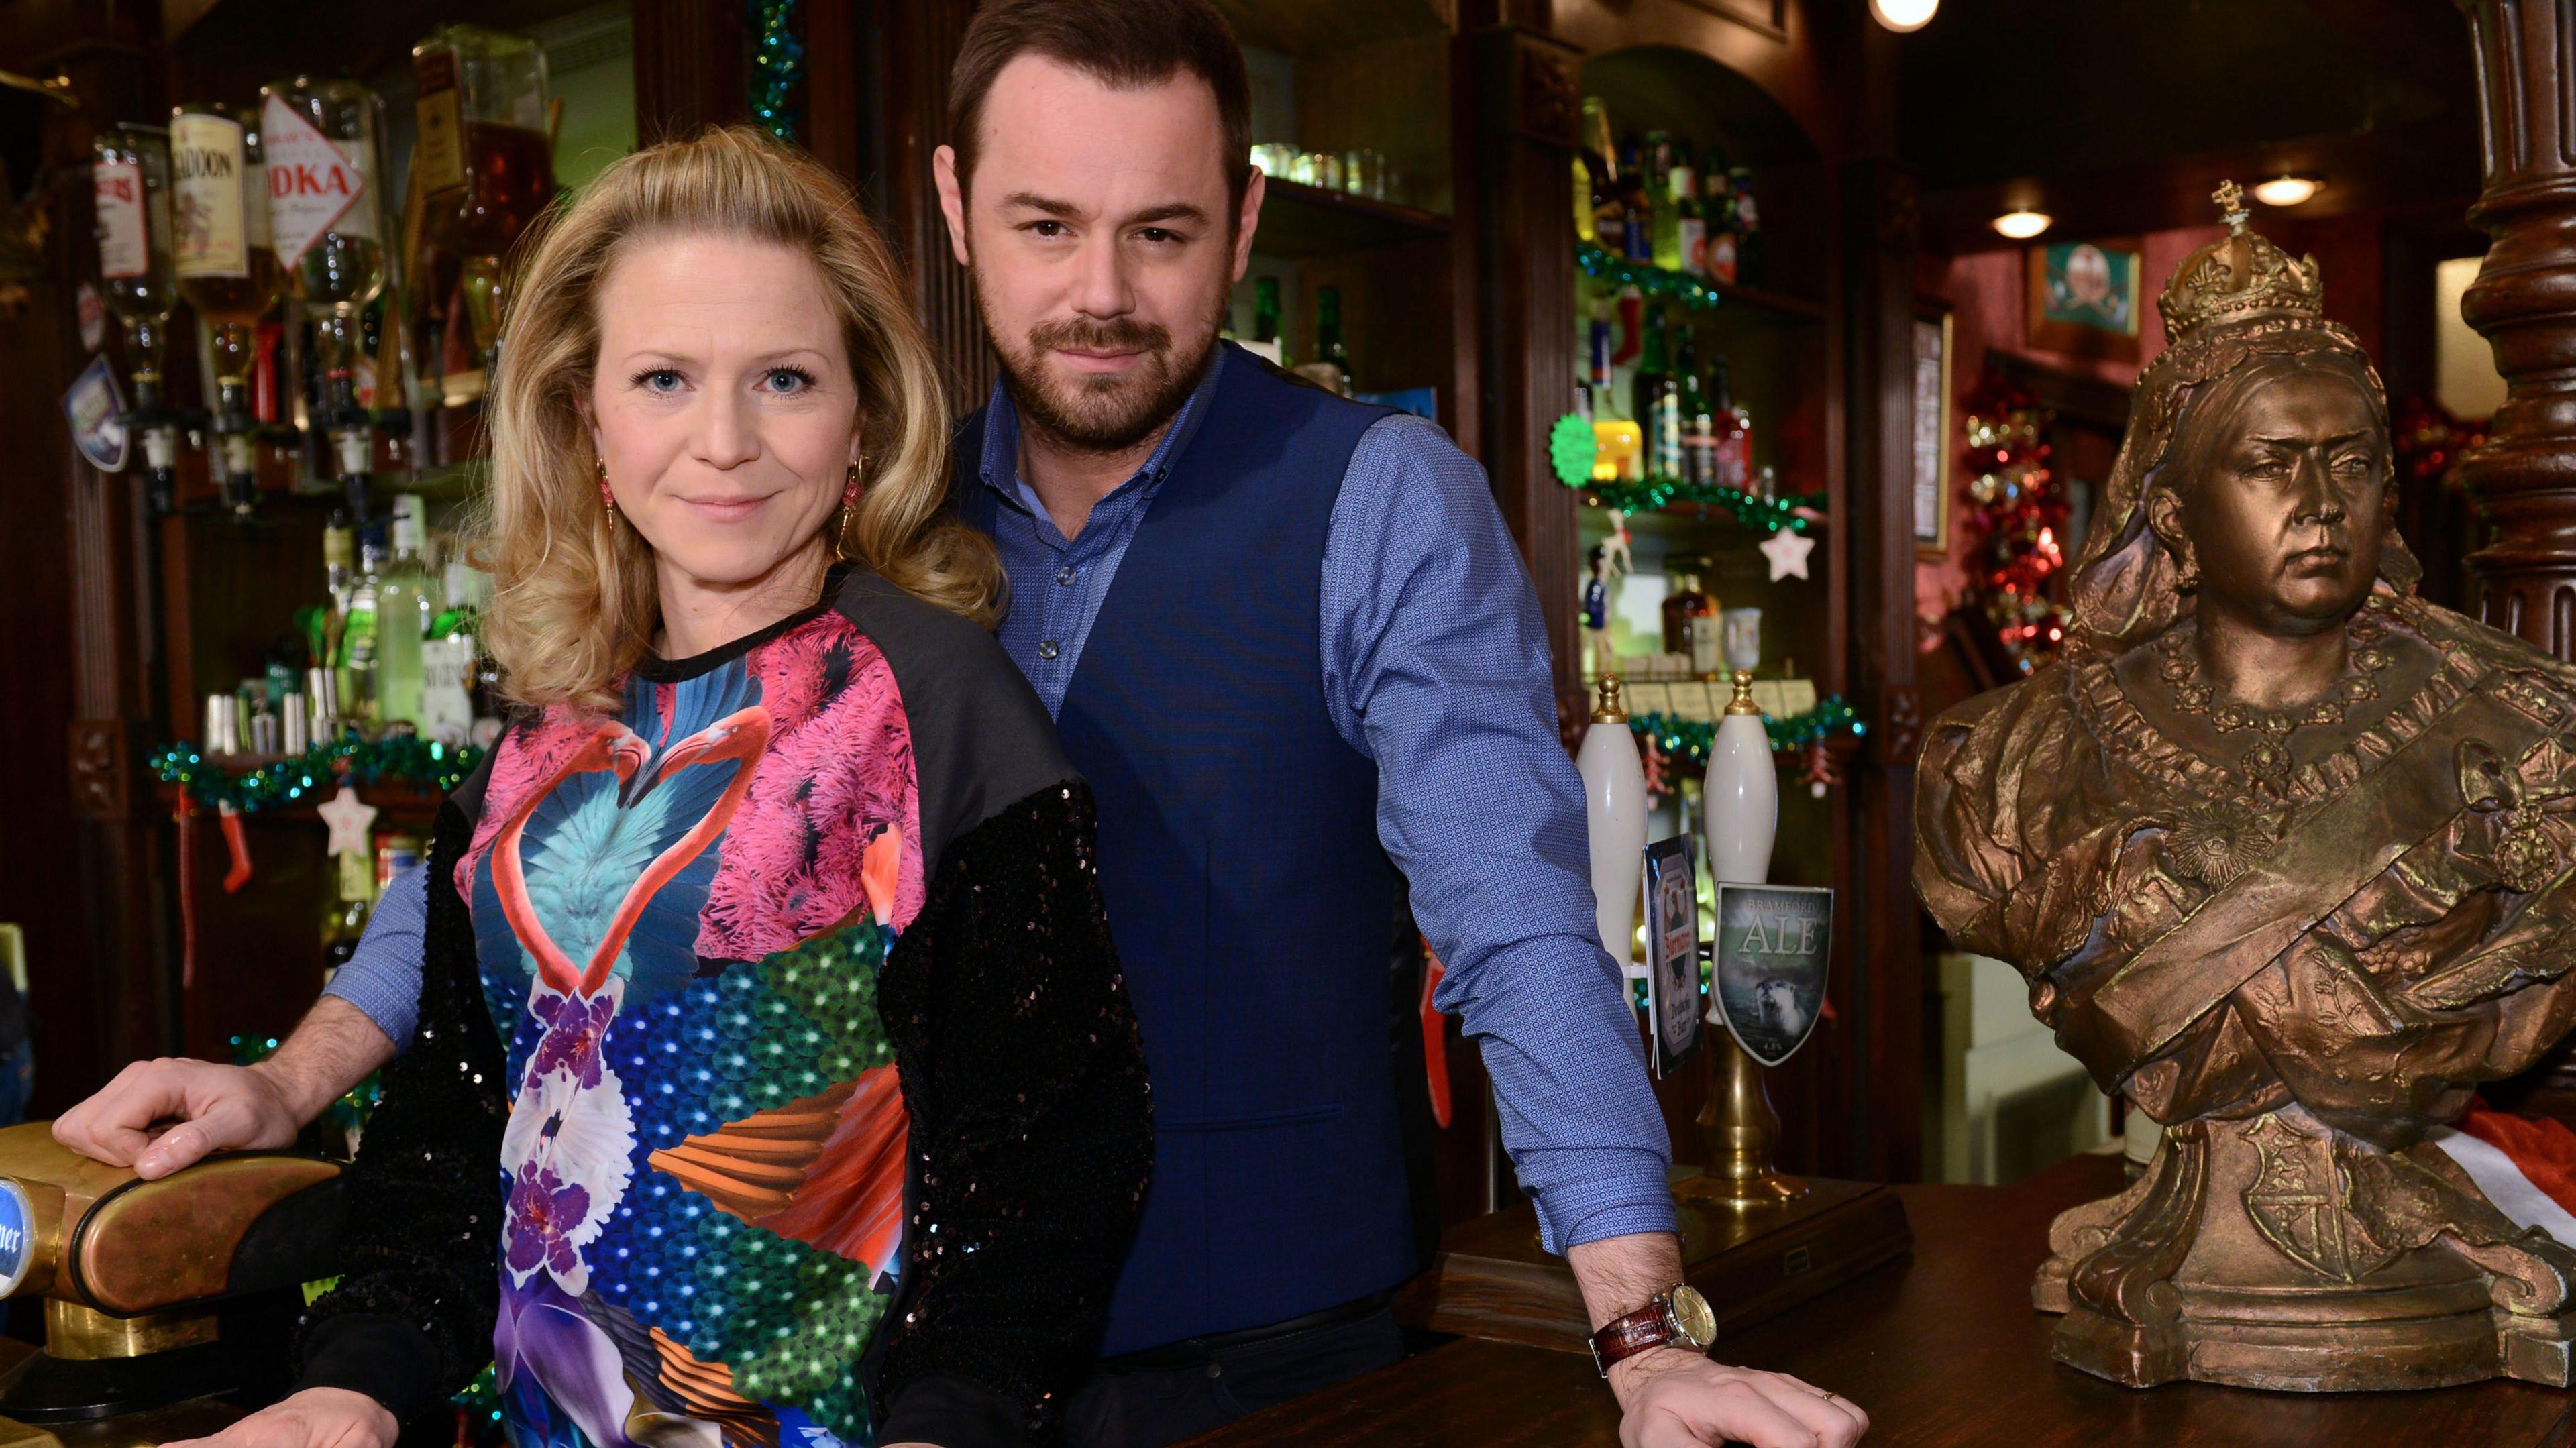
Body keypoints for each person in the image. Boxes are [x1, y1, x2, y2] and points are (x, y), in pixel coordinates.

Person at [60, 5, 1868, 1447]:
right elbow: (553, 855)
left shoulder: (1380, 498)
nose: (1103, 290)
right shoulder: (838, 505)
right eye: (1046, 226)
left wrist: (1638, 1323)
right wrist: (293, 1077)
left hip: (1258, 1354)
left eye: (1162, 231)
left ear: (1242, 220)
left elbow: (1516, 913)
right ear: (951, 212)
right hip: (886, 1370)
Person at [125, 126, 1153, 1448]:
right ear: (588, 423)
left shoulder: (936, 701)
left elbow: (1052, 1164)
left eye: (784, 378)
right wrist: (354, 1388)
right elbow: (447, 1137)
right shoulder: (537, 734)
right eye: (664, 378)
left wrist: (950, 1423)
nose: (723, 441)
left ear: (862, 421)